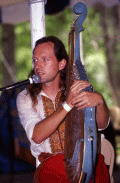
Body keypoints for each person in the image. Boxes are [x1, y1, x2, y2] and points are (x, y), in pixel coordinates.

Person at [16, 36, 110, 182]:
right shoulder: (25, 97)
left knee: (96, 169)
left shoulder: (77, 89)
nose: (38, 66)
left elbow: (103, 124)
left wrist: (99, 101)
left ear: (61, 64)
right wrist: (67, 104)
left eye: (45, 59)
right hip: (51, 167)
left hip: (85, 162)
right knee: (55, 169)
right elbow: (36, 136)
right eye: (35, 60)